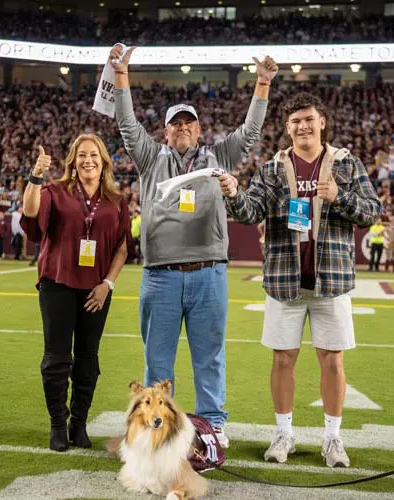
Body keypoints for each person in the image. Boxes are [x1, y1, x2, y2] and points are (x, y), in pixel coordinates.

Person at [108, 44, 278, 448]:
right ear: (165, 131)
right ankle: (154, 425)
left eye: (189, 123)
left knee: (209, 357)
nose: (182, 128)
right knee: (158, 363)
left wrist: (263, 84)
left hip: (208, 273)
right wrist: (121, 76)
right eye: (175, 124)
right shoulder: (150, 158)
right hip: (161, 276)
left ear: (199, 129)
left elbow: (250, 133)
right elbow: (127, 124)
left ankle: (213, 425)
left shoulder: (218, 155)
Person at [219, 92, 381, 466]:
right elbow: (249, 212)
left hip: (331, 280)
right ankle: (284, 433)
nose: (302, 126)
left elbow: (372, 211)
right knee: (282, 359)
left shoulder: (346, 163)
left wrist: (340, 197)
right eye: (295, 121)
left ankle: (333, 439)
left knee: (333, 361)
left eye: (308, 119)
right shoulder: (273, 168)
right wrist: (232, 192)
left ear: (322, 122)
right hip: (284, 280)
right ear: (287, 127)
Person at [20, 135, 129, 452]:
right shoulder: (55, 191)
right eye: (81, 155)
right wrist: (36, 175)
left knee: (87, 360)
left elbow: (122, 249)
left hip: (96, 290)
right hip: (58, 284)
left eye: (94, 155)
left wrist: (107, 284)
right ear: (72, 160)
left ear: (104, 160)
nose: (88, 160)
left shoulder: (116, 200)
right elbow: (30, 212)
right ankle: (57, 425)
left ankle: (78, 424)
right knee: (56, 359)